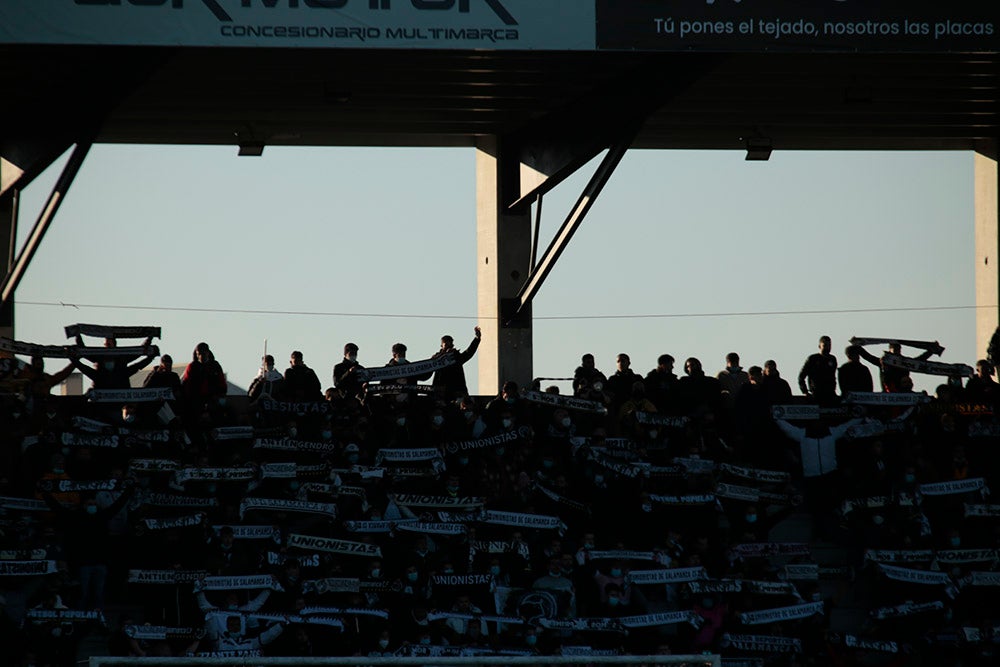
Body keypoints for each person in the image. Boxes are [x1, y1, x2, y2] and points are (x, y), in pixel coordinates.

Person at [431, 326, 481, 399]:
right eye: (446, 345)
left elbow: (469, 352)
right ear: (441, 346)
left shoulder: (456, 357)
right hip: (441, 392)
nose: (449, 347)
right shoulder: (436, 359)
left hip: (457, 391)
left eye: (450, 344)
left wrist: (477, 339)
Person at [181, 342, 227, 414]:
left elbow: (222, 384)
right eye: (199, 354)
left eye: (203, 353)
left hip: (213, 399)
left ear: (208, 353)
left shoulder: (215, 366)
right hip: (196, 401)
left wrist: (218, 395)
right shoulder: (192, 367)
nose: (201, 356)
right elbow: (186, 385)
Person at [798, 335, 838, 402]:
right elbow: (801, 376)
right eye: (825, 345)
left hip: (830, 393)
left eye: (829, 345)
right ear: (819, 346)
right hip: (816, 393)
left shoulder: (832, 359)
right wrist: (805, 392)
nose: (828, 347)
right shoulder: (813, 359)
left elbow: (833, 376)